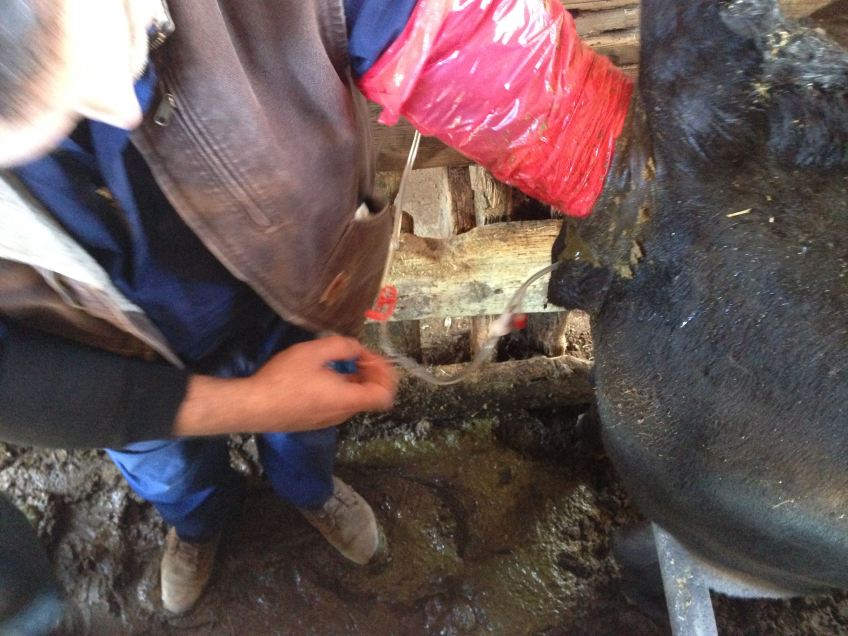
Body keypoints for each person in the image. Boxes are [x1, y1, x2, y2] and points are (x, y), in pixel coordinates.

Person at [0, 0, 632, 625]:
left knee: (306, 435)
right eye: (49, 118)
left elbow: (471, 32)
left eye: (121, 34)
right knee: (169, 473)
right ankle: (198, 523)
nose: (124, 110)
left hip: (294, 297)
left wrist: (614, 167)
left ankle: (309, 491)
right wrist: (254, 403)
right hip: (111, 362)